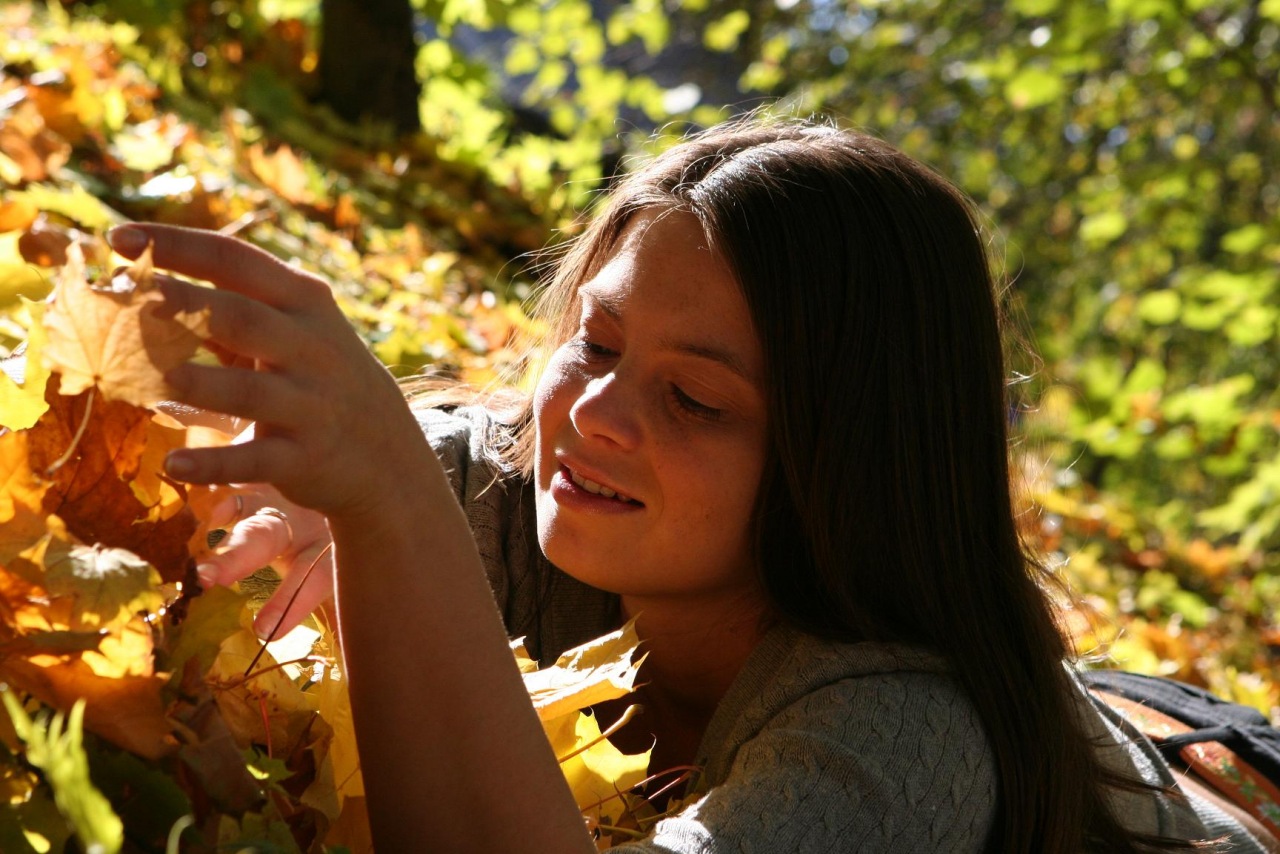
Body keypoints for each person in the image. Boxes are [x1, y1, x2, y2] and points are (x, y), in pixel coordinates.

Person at [105, 117, 1263, 852]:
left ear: (846, 465)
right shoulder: (524, 486)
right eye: (596, 343)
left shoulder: (906, 734)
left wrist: (393, 516)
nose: (592, 414)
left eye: (695, 400)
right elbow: (415, 456)